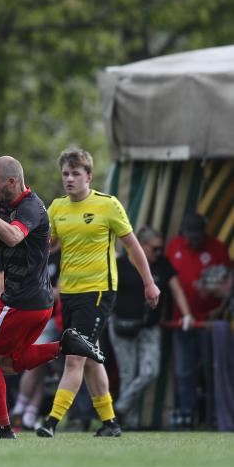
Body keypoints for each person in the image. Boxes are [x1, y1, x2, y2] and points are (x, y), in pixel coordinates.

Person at [0, 156, 105, 439]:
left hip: (19, 301)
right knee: (8, 363)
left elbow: (14, 237)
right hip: (37, 304)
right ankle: (63, 347)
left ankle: (3, 428)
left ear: (12, 182)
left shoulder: (31, 208)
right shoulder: (6, 203)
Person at [34, 148, 160, 438]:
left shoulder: (108, 205)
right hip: (69, 293)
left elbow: (133, 246)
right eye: (65, 173)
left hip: (99, 291)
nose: (69, 178)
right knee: (89, 358)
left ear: (88, 176)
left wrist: (149, 282)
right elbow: (44, 246)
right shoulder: (57, 208)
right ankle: (110, 423)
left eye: (76, 173)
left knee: (75, 357)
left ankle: (52, 421)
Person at [112, 226, 192, 427]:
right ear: (141, 245)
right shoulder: (121, 264)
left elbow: (176, 289)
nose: (158, 253)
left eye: (160, 249)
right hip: (122, 325)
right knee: (127, 373)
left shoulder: (162, 264)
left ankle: (120, 407)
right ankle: (128, 424)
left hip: (149, 327)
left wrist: (187, 314)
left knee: (150, 371)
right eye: (154, 248)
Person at [165, 213, 231, 427]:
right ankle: (187, 415)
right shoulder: (174, 246)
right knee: (184, 371)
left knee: (214, 369)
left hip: (210, 323)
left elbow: (230, 284)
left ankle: (213, 416)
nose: (193, 240)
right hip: (182, 321)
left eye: (197, 235)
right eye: (190, 235)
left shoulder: (218, 248)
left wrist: (220, 309)